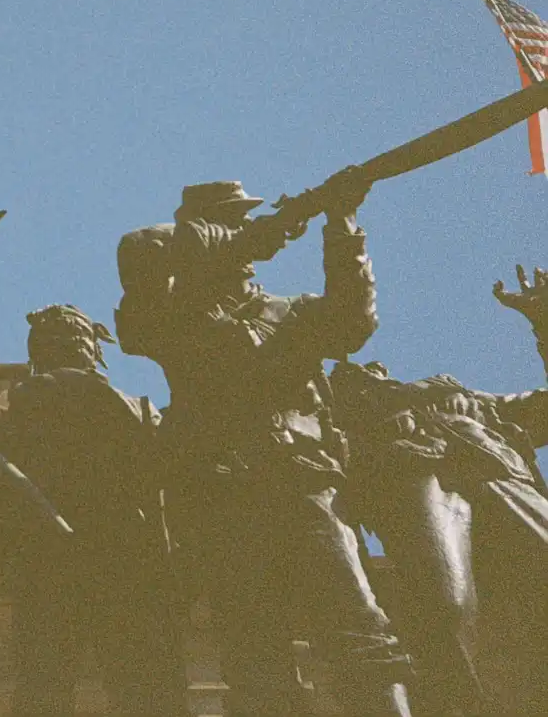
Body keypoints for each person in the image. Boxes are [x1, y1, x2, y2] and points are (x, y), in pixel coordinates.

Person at [119, 175, 413, 715]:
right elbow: (140, 249)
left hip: (302, 481)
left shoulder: (289, 311)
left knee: (358, 627)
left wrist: (341, 226)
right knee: (255, 654)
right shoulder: (172, 318)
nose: (246, 236)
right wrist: (247, 235)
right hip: (220, 492)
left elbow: (353, 321)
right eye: (232, 220)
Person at [330, 265, 548, 715]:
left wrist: (542, 322)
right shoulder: (354, 426)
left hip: (509, 492)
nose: (371, 371)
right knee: (448, 610)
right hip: (423, 491)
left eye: (376, 370)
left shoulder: (474, 403)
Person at [0, 304, 186, 716]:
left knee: (44, 686)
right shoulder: (134, 410)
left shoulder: (13, 418)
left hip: (48, 565)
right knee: (143, 688)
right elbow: (166, 481)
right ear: (93, 352)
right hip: (125, 566)